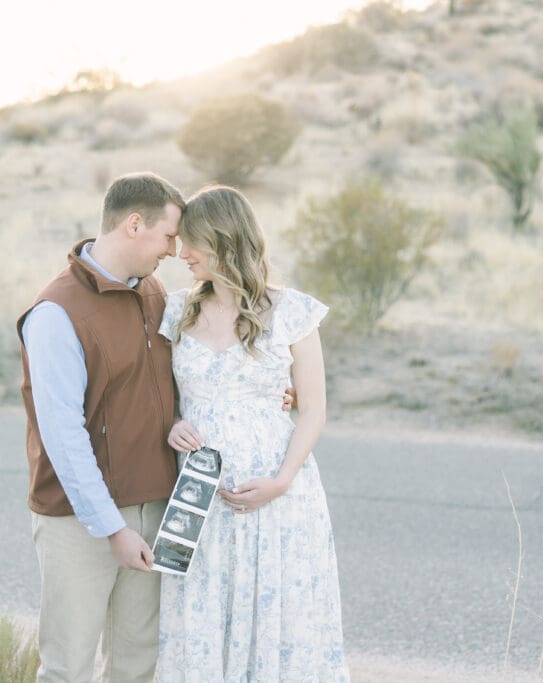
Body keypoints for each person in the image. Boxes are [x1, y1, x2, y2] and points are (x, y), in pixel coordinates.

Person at [156, 185, 350, 681]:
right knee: (202, 617)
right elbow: (159, 396)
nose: (181, 254)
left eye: (192, 242)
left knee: (276, 622)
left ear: (223, 240)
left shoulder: (293, 312)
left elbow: (313, 410)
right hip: (199, 498)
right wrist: (174, 422)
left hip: (278, 498)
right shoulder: (177, 311)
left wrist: (282, 480)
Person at [17, 172, 185, 683]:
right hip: (79, 518)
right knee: (68, 666)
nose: (175, 250)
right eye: (169, 236)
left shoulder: (155, 293)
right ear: (135, 224)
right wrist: (112, 527)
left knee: (137, 665)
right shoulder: (56, 312)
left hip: (154, 508)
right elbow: (63, 436)